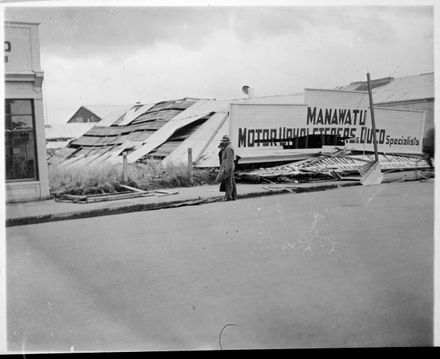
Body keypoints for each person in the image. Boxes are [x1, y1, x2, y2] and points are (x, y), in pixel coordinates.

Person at [216, 135, 237, 201]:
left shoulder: (228, 148)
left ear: (227, 141)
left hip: (228, 167)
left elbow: (229, 160)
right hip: (228, 167)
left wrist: (226, 170)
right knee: (231, 181)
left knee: (228, 182)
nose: (223, 142)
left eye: (224, 141)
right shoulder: (228, 147)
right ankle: (233, 196)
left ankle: (228, 196)